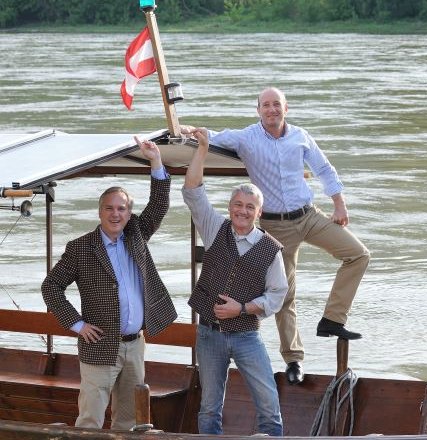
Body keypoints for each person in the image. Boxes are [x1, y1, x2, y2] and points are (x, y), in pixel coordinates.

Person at [181, 87, 370, 385]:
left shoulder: (300, 136)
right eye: (266, 105)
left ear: (286, 108)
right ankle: (294, 358)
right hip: (276, 226)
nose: (272, 110)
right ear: (258, 110)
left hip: (309, 215)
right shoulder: (247, 137)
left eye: (276, 105)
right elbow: (214, 136)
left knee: (358, 254)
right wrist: (192, 131)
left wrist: (339, 203)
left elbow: (323, 168)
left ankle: (333, 319)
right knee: (286, 293)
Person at [41, 137, 177, 430]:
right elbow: (50, 288)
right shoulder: (80, 247)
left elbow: (160, 204)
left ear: (129, 213)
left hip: (135, 345)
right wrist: (77, 325)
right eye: (110, 208)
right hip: (99, 345)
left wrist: (155, 161)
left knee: (128, 422)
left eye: (122, 209)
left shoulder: (137, 233)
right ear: (100, 211)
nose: (116, 214)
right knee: (90, 420)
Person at [182, 127, 287, 436]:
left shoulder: (271, 249)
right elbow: (193, 192)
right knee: (209, 407)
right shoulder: (214, 228)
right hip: (209, 334)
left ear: (259, 212)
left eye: (250, 207)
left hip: (246, 336)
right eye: (238, 205)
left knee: (269, 403)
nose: (243, 211)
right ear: (230, 207)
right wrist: (201, 150)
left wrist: (242, 308)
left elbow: (278, 295)